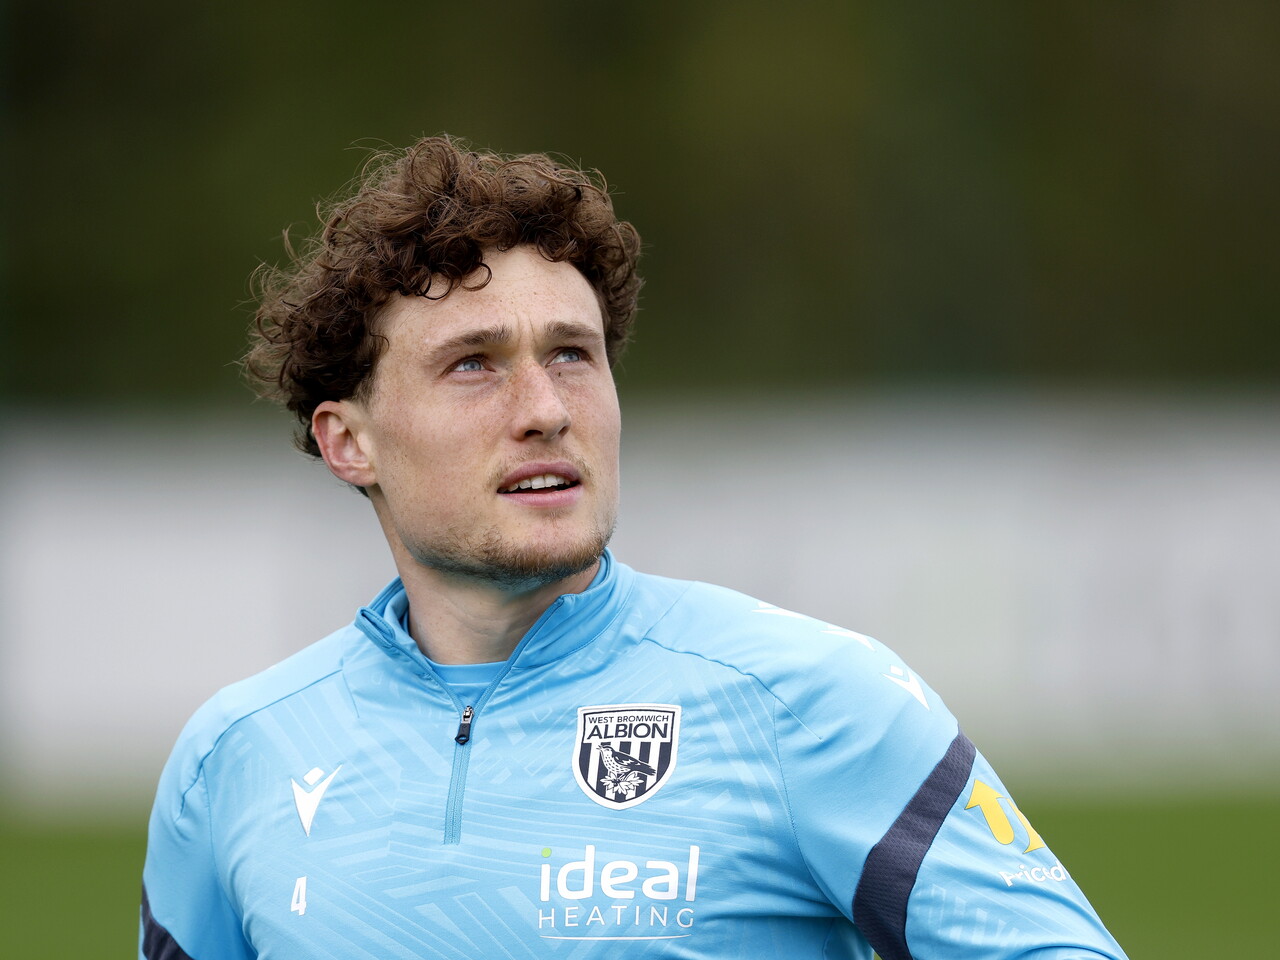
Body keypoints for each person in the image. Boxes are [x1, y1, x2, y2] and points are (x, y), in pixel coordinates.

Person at [140, 136, 1127, 960]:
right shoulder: (235, 761)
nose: (545, 410)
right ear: (347, 441)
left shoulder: (809, 701)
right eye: (474, 365)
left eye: (571, 353)